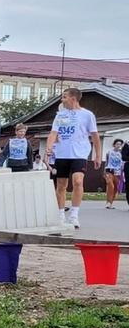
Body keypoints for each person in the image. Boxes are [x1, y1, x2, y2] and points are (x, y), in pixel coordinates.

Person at [45, 88, 101, 229]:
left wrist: (98, 155)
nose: (62, 100)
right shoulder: (60, 115)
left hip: (80, 154)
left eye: (64, 97)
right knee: (61, 185)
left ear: (73, 98)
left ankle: (74, 215)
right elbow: (53, 133)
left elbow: (95, 136)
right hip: (62, 154)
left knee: (77, 181)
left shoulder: (87, 115)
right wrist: (49, 147)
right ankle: (60, 215)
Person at [105, 139, 123, 209]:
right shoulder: (109, 152)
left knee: (115, 188)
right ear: (114, 145)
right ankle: (108, 202)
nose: (118, 145)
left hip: (118, 172)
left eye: (120, 144)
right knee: (110, 186)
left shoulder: (121, 153)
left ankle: (110, 203)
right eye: (117, 144)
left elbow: (122, 163)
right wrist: (104, 172)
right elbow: (106, 162)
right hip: (109, 170)